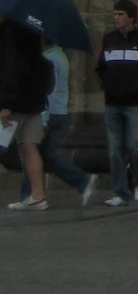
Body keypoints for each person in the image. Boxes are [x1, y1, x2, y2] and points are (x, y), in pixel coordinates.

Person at [96, 0, 138, 205]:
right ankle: (120, 192)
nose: (116, 18)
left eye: (120, 14)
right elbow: (99, 68)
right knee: (115, 150)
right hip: (112, 102)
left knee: (135, 144)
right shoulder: (108, 39)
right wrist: (107, 86)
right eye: (115, 14)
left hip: (134, 103)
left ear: (131, 17)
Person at [28, 40, 95, 206]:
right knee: (39, 155)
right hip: (60, 112)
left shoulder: (49, 58)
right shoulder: (61, 56)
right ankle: (32, 194)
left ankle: (82, 180)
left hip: (51, 113)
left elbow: (48, 90)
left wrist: (44, 117)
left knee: (34, 153)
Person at [1, 18, 56, 210]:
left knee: (22, 147)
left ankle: (38, 196)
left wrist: (6, 103)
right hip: (33, 101)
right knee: (28, 147)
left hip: (14, 102)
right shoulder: (33, 29)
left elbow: (11, 68)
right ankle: (38, 196)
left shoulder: (10, 31)